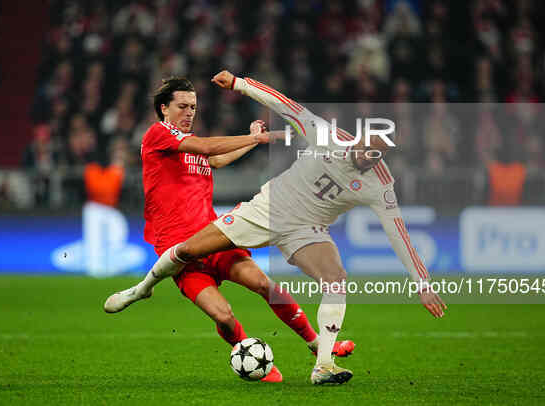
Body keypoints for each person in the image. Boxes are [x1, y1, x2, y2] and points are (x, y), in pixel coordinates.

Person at [106, 71, 446, 385]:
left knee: (277, 284)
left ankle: (321, 356)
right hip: (225, 226)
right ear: (164, 108)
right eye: (183, 106)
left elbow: (216, 158)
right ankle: (143, 290)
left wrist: (423, 283)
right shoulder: (160, 135)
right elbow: (281, 108)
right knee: (220, 310)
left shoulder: (380, 183)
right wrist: (240, 84)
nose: (190, 112)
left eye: (193, 106)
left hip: (292, 228)